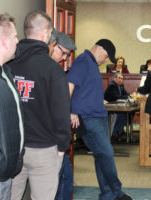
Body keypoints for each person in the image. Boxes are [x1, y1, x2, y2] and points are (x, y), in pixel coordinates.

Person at [8, 10, 71, 200]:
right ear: (46, 33)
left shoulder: (8, 65)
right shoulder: (53, 70)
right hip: (44, 150)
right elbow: (61, 113)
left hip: (14, 147)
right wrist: (62, 145)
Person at [68, 38, 133, 200]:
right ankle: (117, 192)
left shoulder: (91, 64)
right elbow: (69, 85)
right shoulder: (82, 61)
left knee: (100, 156)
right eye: (106, 57)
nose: (105, 61)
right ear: (100, 49)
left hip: (99, 116)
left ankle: (106, 195)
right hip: (87, 118)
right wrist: (70, 111)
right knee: (107, 153)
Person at [0, 13, 24, 200]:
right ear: (4, 41)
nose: (18, 41)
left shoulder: (5, 72)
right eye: (15, 36)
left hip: (5, 172)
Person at [49, 30, 77, 200]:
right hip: (48, 140)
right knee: (64, 178)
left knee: (64, 178)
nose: (65, 58)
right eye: (64, 53)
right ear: (52, 45)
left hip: (46, 139)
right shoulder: (53, 71)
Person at [104, 72, 129, 142]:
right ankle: (114, 133)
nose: (121, 80)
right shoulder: (112, 85)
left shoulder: (121, 85)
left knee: (127, 114)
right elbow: (117, 97)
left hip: (116, 106)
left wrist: (128, 96)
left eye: (122, 79)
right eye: (119, 78)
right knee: (122, 115)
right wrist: (125, 97)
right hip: (110, 108)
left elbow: (126, 94)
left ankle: (117, 132)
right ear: (115, 78)